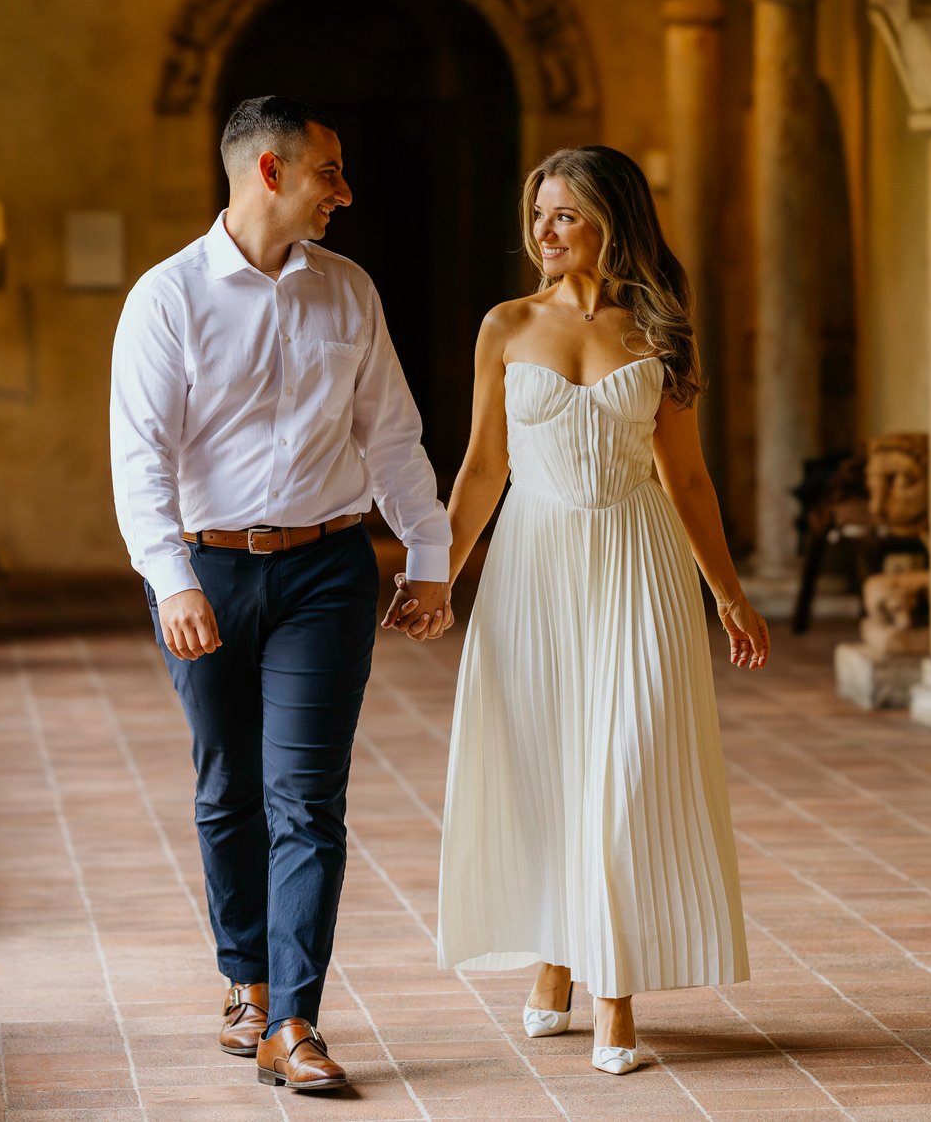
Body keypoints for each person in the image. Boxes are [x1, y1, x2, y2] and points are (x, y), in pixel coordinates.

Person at [386, 144, 767, 1076]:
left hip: (637, 563)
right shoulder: (505, 326)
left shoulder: (660, 331)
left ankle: (614, 994)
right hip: (532, 565)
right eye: (538, 215)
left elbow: (685, 476)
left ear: (611, 220)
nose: (543, 233)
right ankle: (553, 964)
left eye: (563, 215)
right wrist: (438, 575)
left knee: (627, 766)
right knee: (550, 764)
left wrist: (728, 592)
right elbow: (483, 466)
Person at [109, 95, 452, 1093]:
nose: (344, 191)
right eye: (328, 171)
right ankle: (246, 978)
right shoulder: (166, 298)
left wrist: (426, 552)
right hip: (207, 568)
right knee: (228, 790)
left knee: (306, 798)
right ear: (269, 169)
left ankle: (293, 1018)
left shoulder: (349, 292)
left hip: (325, 571)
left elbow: (390, 433)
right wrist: (169, 574)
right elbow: (141, 456)